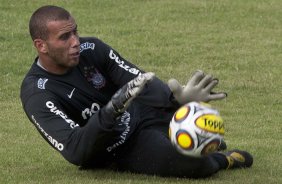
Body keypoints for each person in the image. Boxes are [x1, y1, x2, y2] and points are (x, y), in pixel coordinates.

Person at [20, 5, 253, 178]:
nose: (75, 42)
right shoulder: (38, 93)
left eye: (75, 33)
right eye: (64, 37)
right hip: (118, 148)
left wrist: (175, 99)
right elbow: (75, 149)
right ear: (41, 45)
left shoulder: (92, 49)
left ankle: (201, 142)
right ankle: (224, 160)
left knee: (198, 123)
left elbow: (140, 80)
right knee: (196, 166)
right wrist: (111, 111)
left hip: (140, 114)